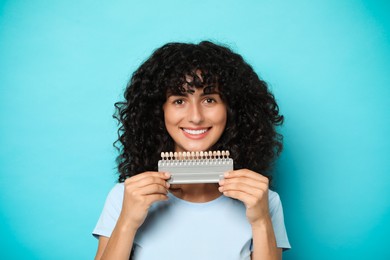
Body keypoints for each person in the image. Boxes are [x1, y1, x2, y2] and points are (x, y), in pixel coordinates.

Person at [93, 41, 291, 260]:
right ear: (159, 112)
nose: (195, 117)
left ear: (231, 109)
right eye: (179, 100)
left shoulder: (263, 200)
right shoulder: (124, 197)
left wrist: (261, 220)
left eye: (209, 99)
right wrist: (127, 221)